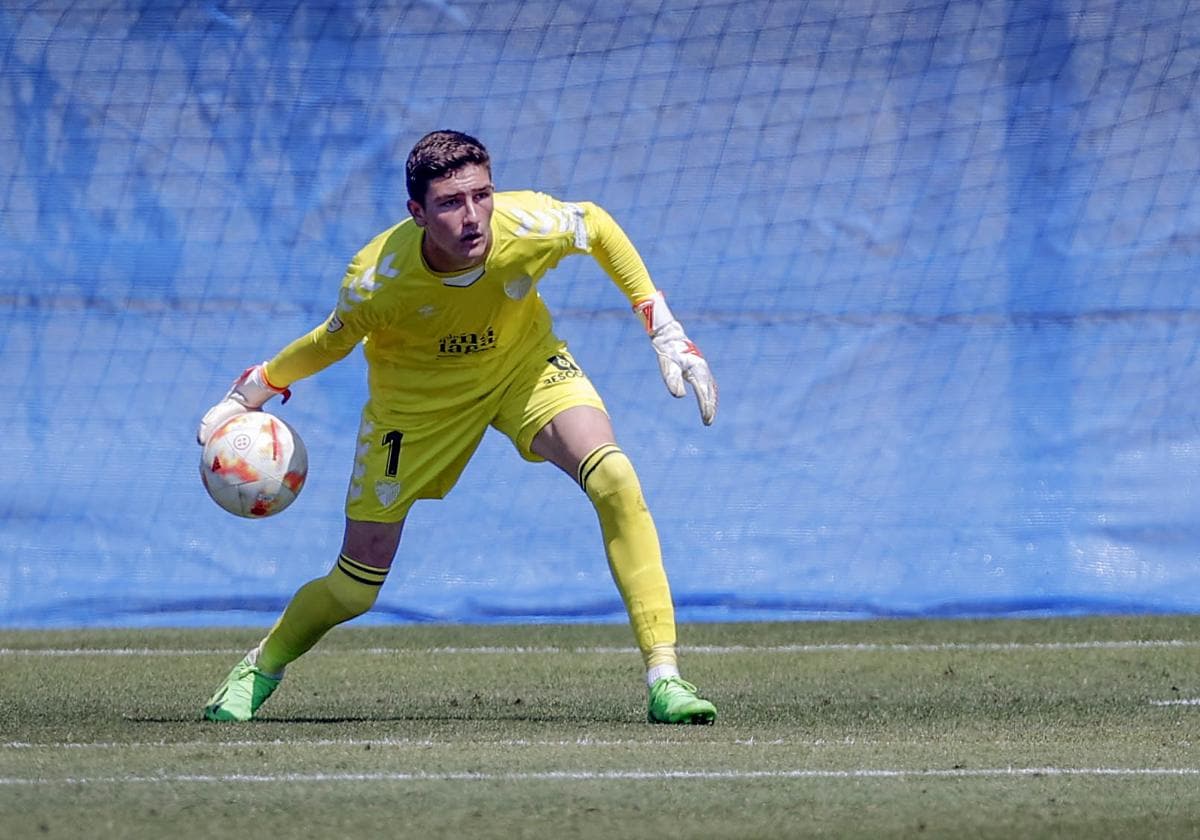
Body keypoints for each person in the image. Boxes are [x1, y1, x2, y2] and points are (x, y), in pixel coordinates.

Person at [197, 130, 719, 725]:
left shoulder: (526, 226)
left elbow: (596, 225)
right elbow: (329, 342)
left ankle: (665, 678)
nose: (473, 217)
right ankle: (261, 667)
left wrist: (664, 329)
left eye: (482, 194)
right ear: (416, 212)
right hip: (414, 412)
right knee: (355, 587)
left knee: (615, 479)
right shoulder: (378, 278)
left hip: (522, 368)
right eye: (450, 203)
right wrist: (252, 390)